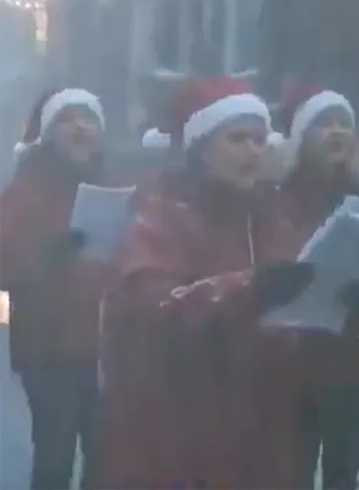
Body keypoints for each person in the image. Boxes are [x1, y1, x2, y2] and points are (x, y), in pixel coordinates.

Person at [93, 76, 319, 489]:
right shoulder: (161, 213)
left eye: (259, 140)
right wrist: (249, 290)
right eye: (237, 139)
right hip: (182, 433)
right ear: (200, 148)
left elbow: (299, 310)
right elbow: (154, 305)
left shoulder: (274, 216)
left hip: (263, 430)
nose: (253, 150)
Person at [272, 83, 359, 489]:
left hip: (352, 359)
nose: (337, 131)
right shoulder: (277, 197)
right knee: (293, 473)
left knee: (344, 475)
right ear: (302, 137)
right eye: (325, 123)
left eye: (344, 123)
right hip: (295, 362)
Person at [0, 88, 112, 490]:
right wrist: (49, 253)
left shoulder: (114, 185)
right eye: (68, 118)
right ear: (48, 133)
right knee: (55, 457)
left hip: (108, 349)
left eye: (89, 118)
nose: (80, 126)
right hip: (49, 350)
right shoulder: (25, 191)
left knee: (108, 459)